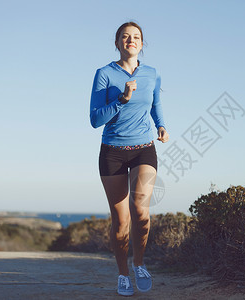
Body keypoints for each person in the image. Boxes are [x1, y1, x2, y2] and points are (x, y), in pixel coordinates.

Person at [89, 21, 169, 296]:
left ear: (142, 44)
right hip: (112, 151)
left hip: (144, 148)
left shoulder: (152, 74)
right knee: (121, 221)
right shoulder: (104, 74)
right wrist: (121, 100)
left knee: (140, 208)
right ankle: (123, 274)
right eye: (125, 36)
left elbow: (156, 105)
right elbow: (95, 119)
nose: (130, 40)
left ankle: (140, 265)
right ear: (117, 43)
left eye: (136, 37)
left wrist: (161, 125)